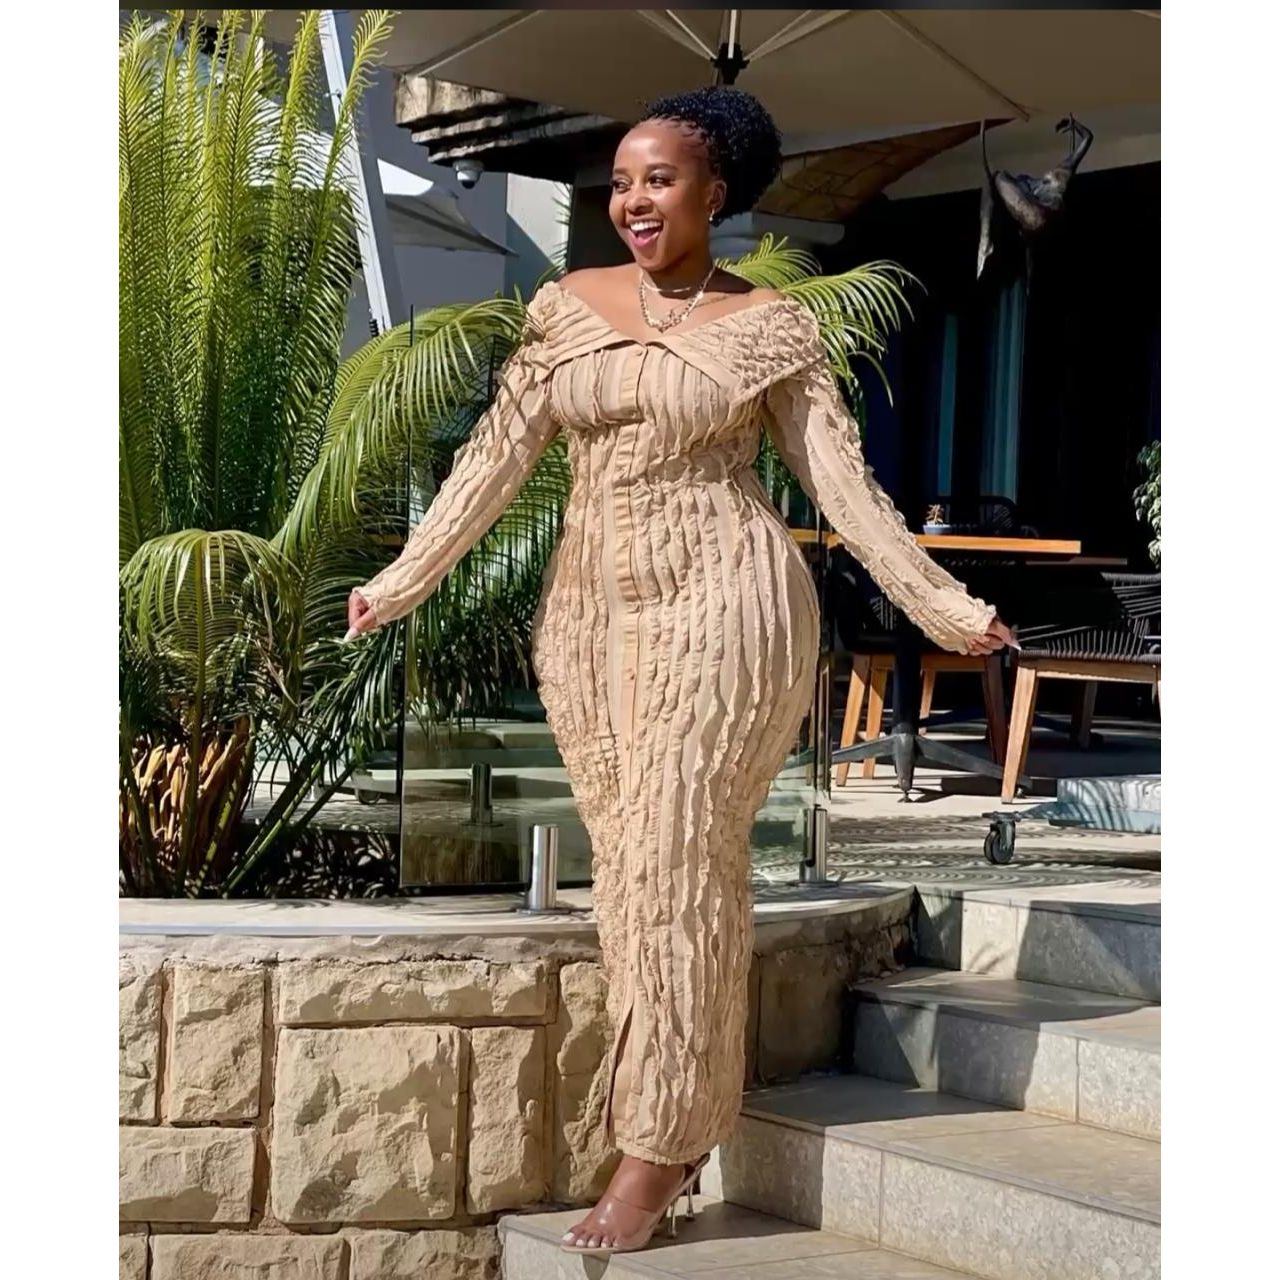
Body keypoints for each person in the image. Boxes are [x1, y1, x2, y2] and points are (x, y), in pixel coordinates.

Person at [346, 85, 1013, 1256]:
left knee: (673, 856)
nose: (632, 200)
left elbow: (840, 482)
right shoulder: (565, 308)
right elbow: (494, 457)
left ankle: (655, 1145)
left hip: (727, 607)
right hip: (588, 623)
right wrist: (402, 578)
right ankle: (682, 1110)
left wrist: (940, 602)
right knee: (644, 879)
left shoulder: (769, 328)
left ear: (715, 192)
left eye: (657, 179)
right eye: (619, 182)